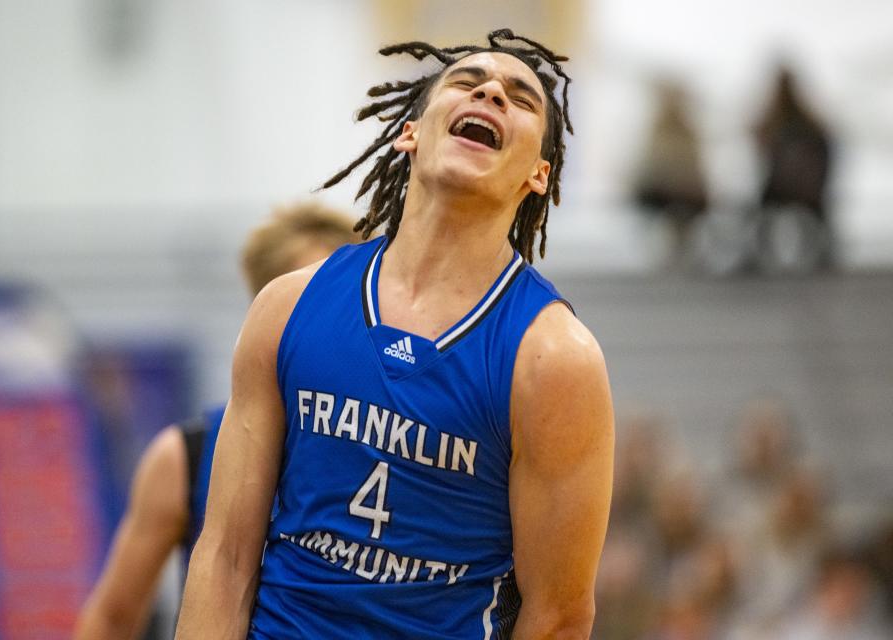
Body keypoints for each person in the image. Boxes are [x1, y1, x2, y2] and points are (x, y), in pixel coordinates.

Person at [176, 29, 615, 639]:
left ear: (539, 174)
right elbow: (224, 554)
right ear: (410, 132)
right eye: (467, 82)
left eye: (521, 98)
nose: (490, 91)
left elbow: (560, 616)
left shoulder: (553, 359)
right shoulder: (286, 307)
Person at [73, 203, 358, 640]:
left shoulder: (388, 446)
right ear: (264, 307)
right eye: (308, 300)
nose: (330, 322)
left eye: (345, 303)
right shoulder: (185, 454)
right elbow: (113, 617)